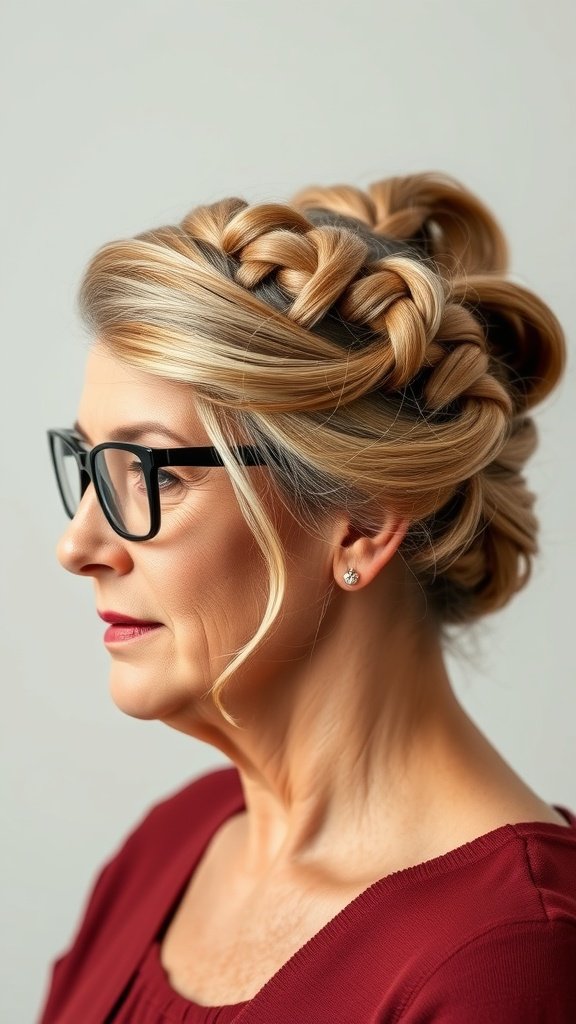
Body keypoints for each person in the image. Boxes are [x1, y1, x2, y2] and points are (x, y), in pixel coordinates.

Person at [38, 171, 576, 1023]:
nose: (79, 547)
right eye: (87, 463)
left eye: (149, 473)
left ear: (363, 521)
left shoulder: (507, 960)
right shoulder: (173, 845)